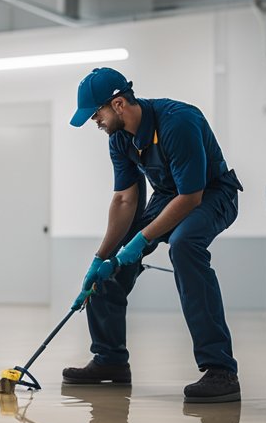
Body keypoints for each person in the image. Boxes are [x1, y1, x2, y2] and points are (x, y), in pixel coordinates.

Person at [64, 67, 244, 403]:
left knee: (184, 245)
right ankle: (110, 360)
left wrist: (141, 240)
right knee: (110, 266)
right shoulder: (119, 138)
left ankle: (221, 370)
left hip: (212, 194)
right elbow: (125, 199)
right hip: (166, 195)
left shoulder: (179, 121)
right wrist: (101, 258)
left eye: (96, 114)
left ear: (118, 104)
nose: (95, 122)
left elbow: (191, 196)